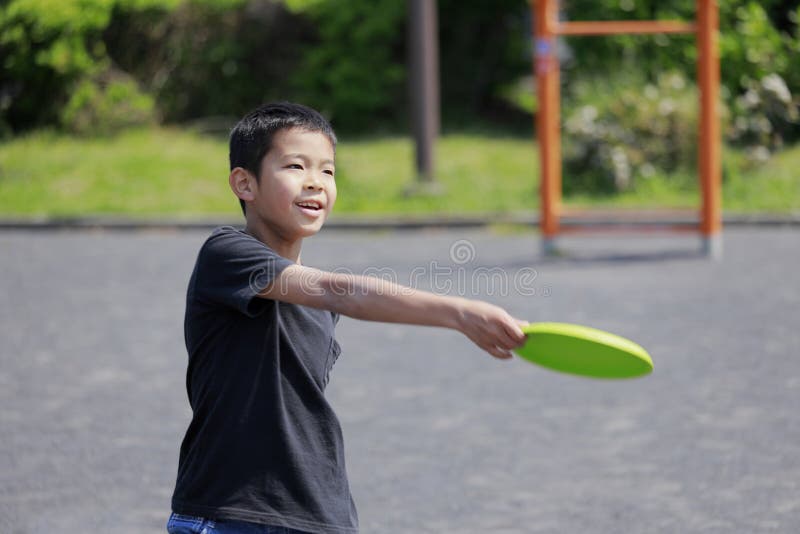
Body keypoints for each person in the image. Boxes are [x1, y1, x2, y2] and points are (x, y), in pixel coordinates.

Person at [168, 102, 527, 534]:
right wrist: (459, 312)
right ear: (245, 183)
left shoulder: (319, 311)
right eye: (296, 166)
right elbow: (342, 291)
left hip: (317, 514)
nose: (315, 183)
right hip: (232, 513)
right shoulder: (226, 254)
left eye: (328, 171)